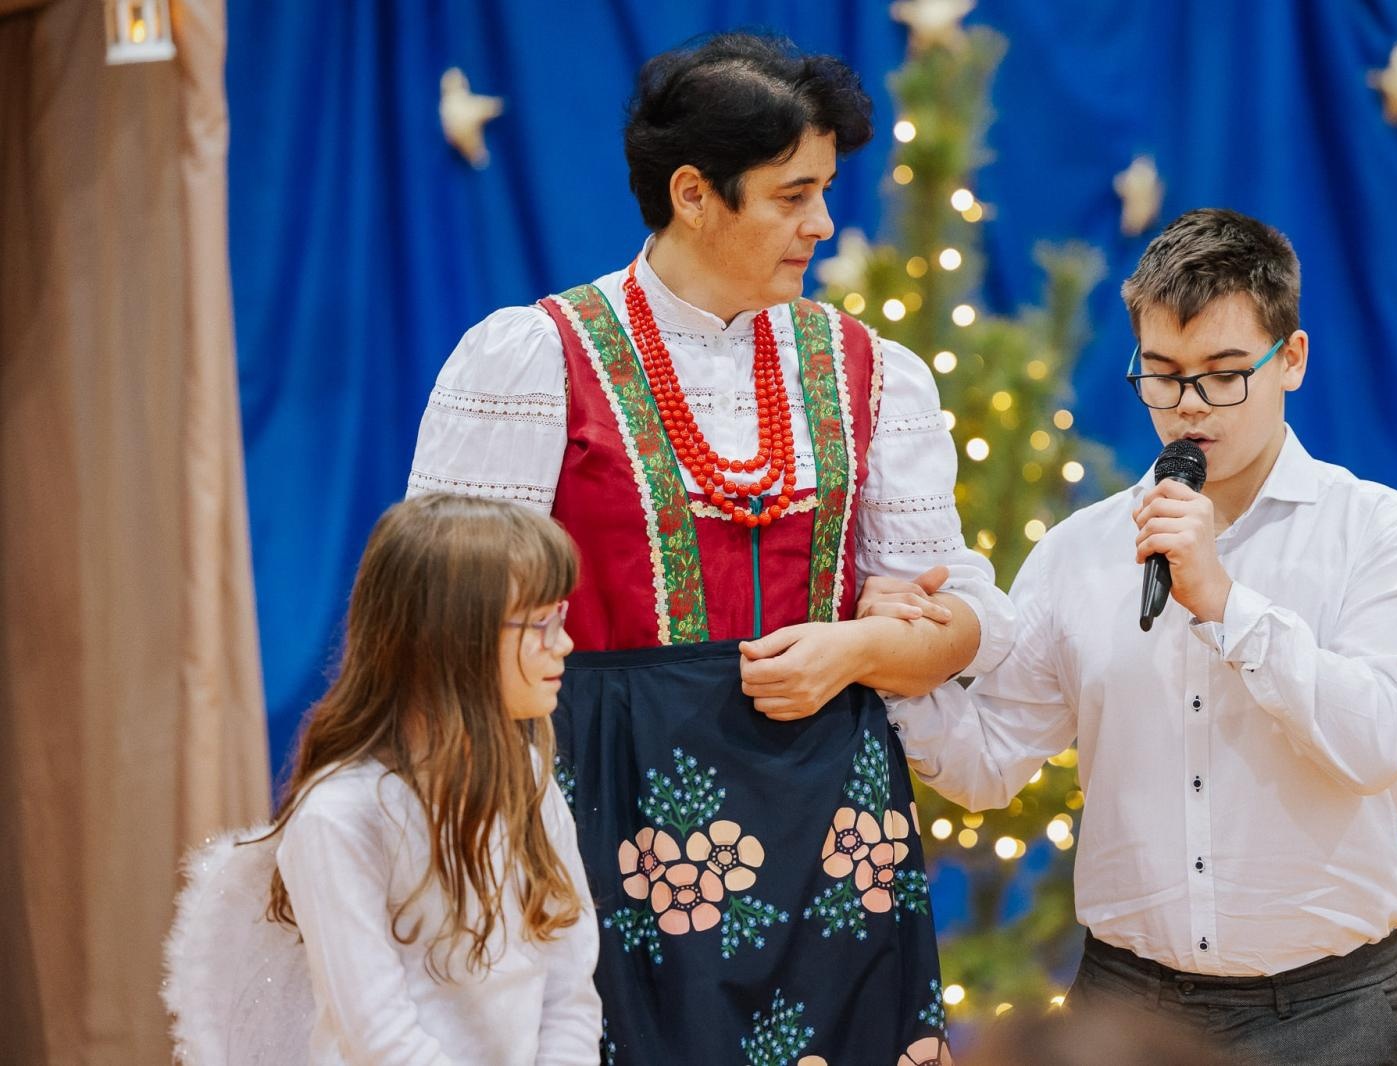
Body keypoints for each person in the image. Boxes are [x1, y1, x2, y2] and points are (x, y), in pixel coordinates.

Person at [406, 32, 1012, 1065]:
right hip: (603, 818)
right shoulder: (535, 357)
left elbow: (964, 621)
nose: (822, 223)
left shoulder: (874, 373)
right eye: (793, 195)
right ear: (694, 193)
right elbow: (442, 630)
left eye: (825, 191)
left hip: (835, 832)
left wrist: (855, 651)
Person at [883, 208, 1397, 1065]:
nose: (1189, 409)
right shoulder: (1082, 550)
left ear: (1290, 359)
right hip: (1128, 1006)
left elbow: (1375, 743)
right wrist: (898, 662)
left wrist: (1223, 599)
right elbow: (987, 762)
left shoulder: (1379, 530)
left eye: (1224, 375)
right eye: (1162, 376)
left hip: (1334, 1013)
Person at [265, 493, 601, 1063]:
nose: (564, 643)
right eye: (541, 622)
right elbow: (381, 1040)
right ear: (451, 639)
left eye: (560, 616)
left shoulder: (529, 775)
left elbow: (570, 994)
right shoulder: (339, 817)